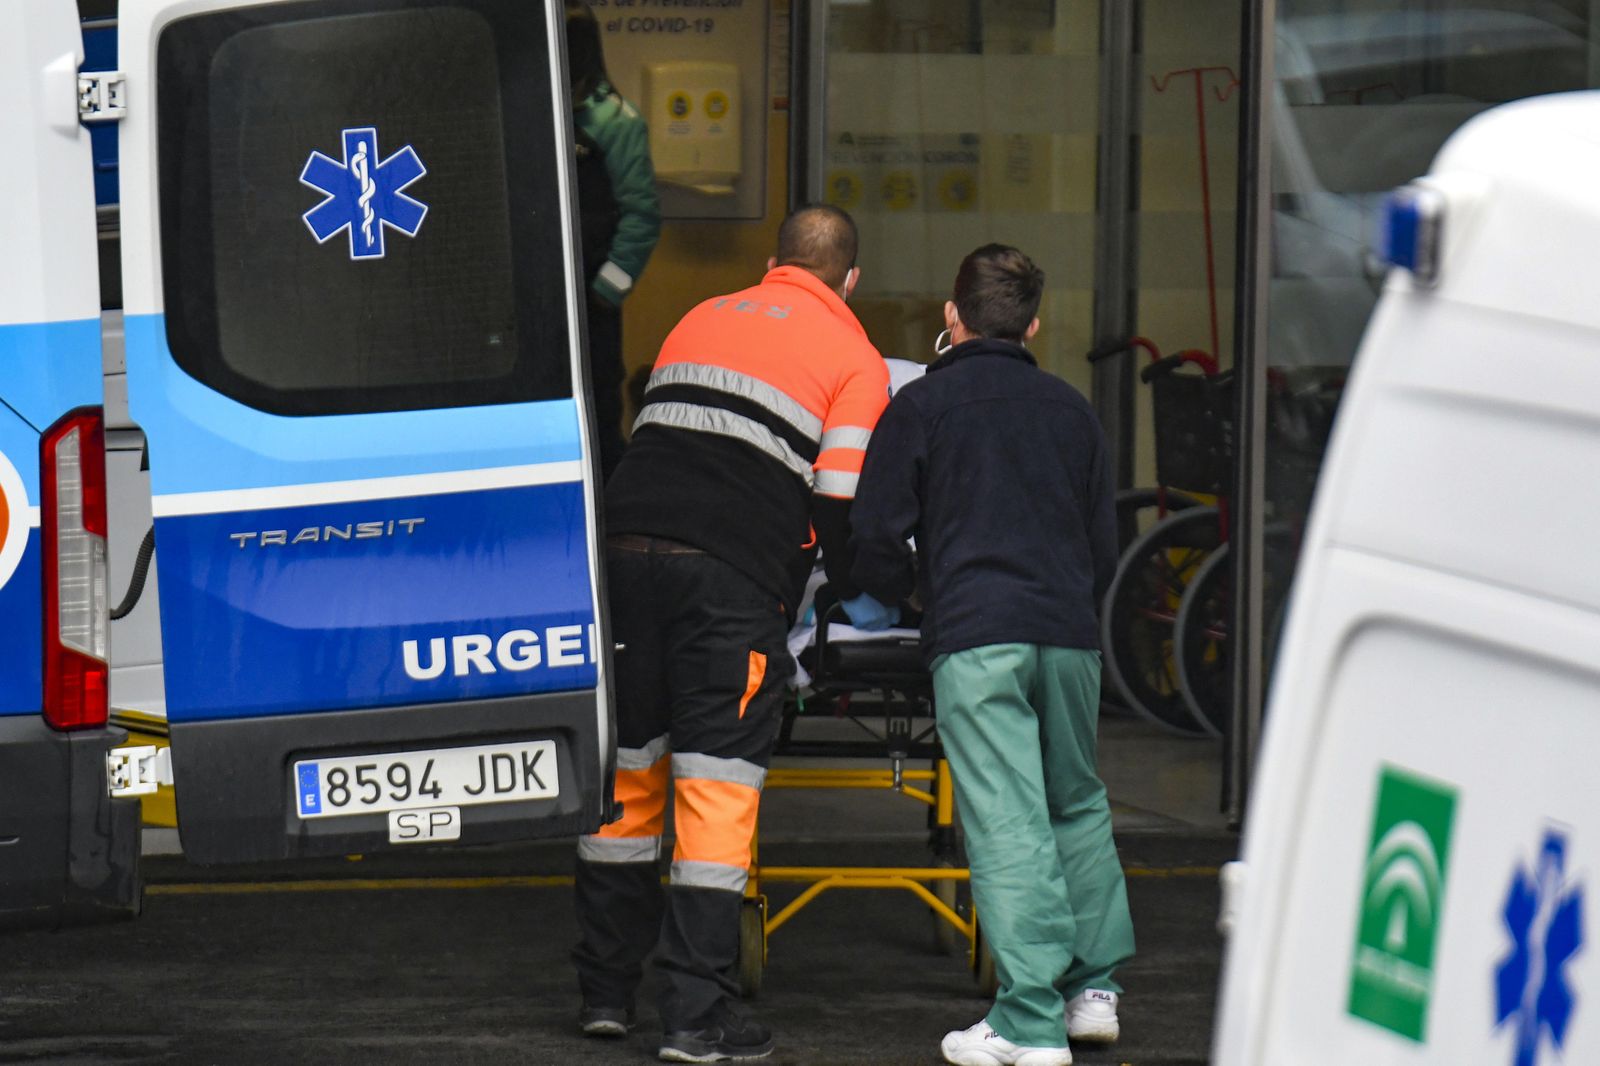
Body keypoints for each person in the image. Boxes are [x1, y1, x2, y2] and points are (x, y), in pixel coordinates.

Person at [572, 205, 896, 1063]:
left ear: (771, 262)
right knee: (714, 791)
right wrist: (863, 592)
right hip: (727, 579)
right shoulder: (856, 358)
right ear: (849, 280)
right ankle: (694, 1018)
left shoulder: (698, 317)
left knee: (628, 779)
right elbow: (837, 502)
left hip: (623, 558)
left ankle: (607, 996)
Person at [849, 245, 1135, 1066]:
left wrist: (910, 592)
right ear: (1034, 323)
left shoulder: (925, 406)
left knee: (1006, 818)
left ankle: (1028, 1023)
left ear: (952, 315)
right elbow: (1104, 546)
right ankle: (1092, 992)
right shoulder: (1072, 410)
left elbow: (872, 535)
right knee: (1075, 802)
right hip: (1069, 636)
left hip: (978, 633)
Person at [566, 0, 661, 479]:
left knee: (600, 401)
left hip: (593, 295)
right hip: (540, 296)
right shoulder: (530, 111)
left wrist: (605, 290)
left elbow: (641, 216)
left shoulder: (615, 121)